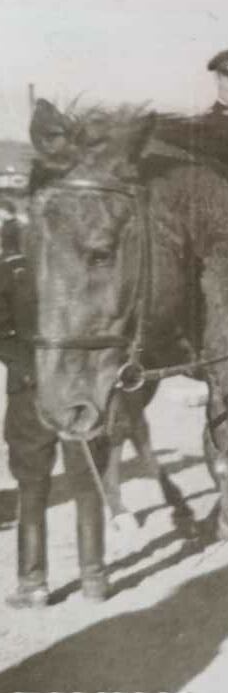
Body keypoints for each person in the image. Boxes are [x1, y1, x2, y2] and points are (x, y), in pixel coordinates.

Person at [1, 224, 108, 607]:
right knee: (86, 484)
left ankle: (34, 585)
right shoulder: (86, 268)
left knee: (33, 487)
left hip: (29, 391)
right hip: (79, 389)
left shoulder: (11, 270)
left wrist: (30, 370)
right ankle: (94, 580)